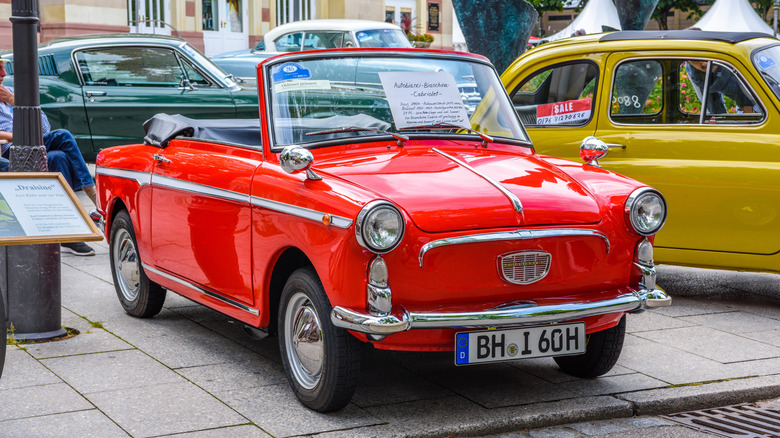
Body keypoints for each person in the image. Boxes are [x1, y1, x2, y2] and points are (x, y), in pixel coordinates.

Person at [0, 58, 97, 256]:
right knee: (63, 136)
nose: (3, 74)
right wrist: (16, 136)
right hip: (9, 150)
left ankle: (67, 230)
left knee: (59, 156)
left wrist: (13, 100)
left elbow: (44, 128)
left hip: (32, 144)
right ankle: (94, 199)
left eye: (3, 69)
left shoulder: (10, 92)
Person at [685, 59, 755, 115]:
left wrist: (750, 109)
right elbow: (706, 102)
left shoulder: (731, 61)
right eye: (695, 61)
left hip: (758, 105)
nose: (705, 63)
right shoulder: (695, 74)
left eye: (705, 58)